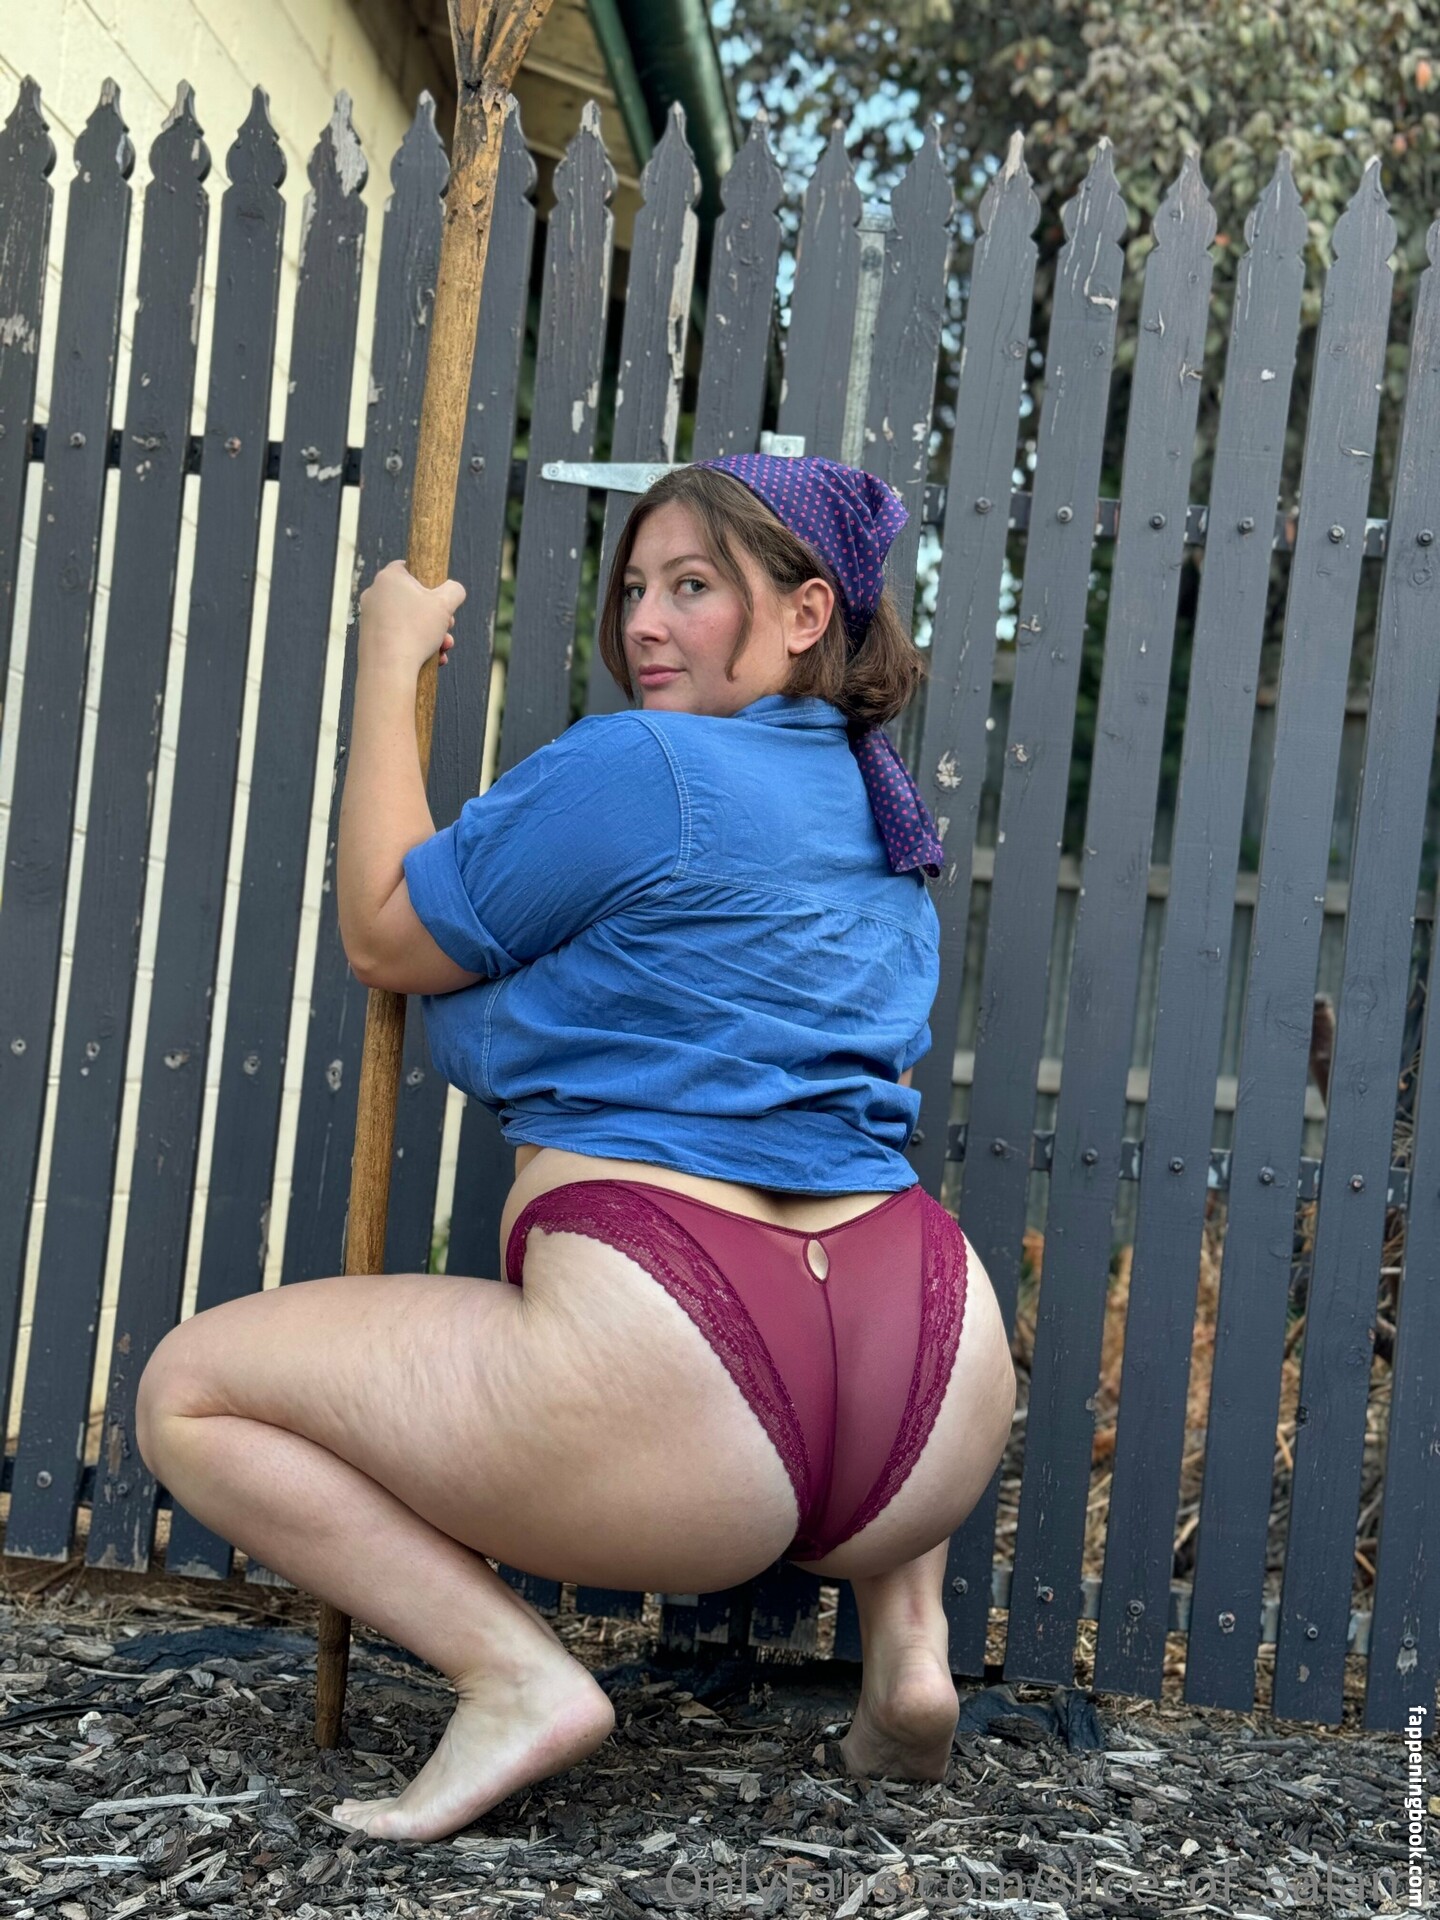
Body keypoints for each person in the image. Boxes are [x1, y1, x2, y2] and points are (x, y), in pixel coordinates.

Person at [135, 454, 1017, 1845]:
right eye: (636, 587)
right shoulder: (883, 812)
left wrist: (387, 661)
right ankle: (909, 1654)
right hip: (932, 1380)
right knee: (863, 1174)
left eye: (693, 587)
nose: (645, 623)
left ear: (806, 614)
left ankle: (513, 1678)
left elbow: (385, 932)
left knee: (188, 1394)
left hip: (679, 1356)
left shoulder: (643, 766)